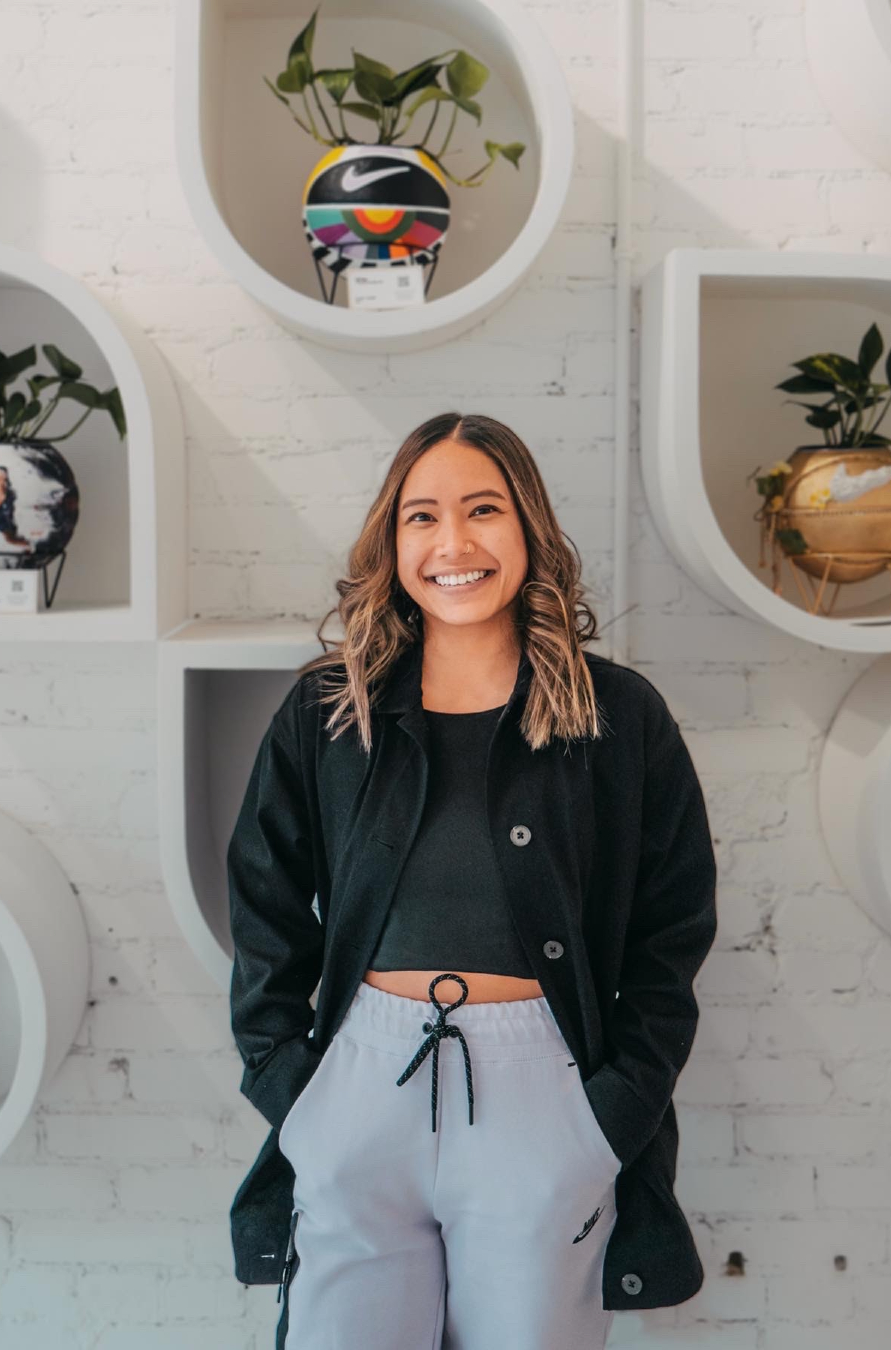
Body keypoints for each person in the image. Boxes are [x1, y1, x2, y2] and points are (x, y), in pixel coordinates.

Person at [227, 412, 719, 1350]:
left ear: (528, 527)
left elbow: (673, 929)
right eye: (422, 517)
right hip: (359, 1085)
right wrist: (296, 1095)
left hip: (547, 1095)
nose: (453, 543)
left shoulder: (619, 714)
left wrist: (608, 1120)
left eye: (483, 509)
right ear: (392, 540)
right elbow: (264, 903)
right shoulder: (328, 710)